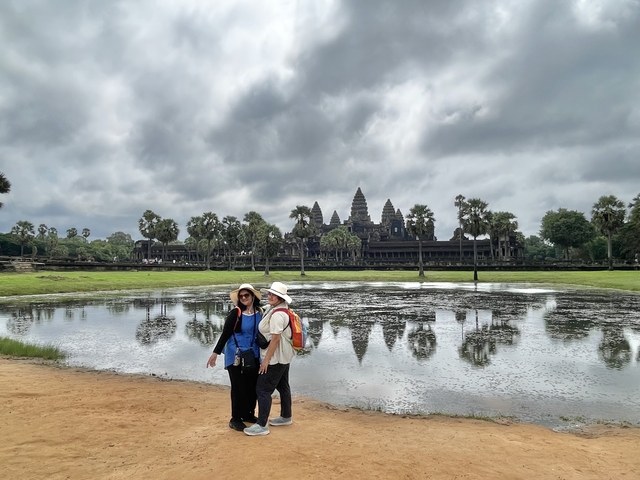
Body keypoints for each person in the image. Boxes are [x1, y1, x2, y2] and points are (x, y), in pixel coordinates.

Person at [206, 284, 262, 432]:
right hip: (235, 355)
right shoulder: (235, 313)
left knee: (252, 387)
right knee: (238, 388)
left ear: (253, 297)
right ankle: (235, 418)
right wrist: (215, 353)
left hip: (253, 354)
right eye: (241, 296)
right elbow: (225, 334)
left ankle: (248, 414)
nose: (243, 298)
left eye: (246, 295)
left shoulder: (260, 313)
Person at [244, 281, 295, 436]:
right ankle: (286, 416)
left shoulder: (278, 315)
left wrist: (266, 361)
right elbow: (263, 309)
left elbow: (275, 340)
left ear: (281, 298)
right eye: (271, 293)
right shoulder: (276, 309)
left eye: (275, 295)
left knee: (263, 389)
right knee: (283, 386)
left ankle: (262, 425)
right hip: (284, 357)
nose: (270, 296)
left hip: (275, 359)